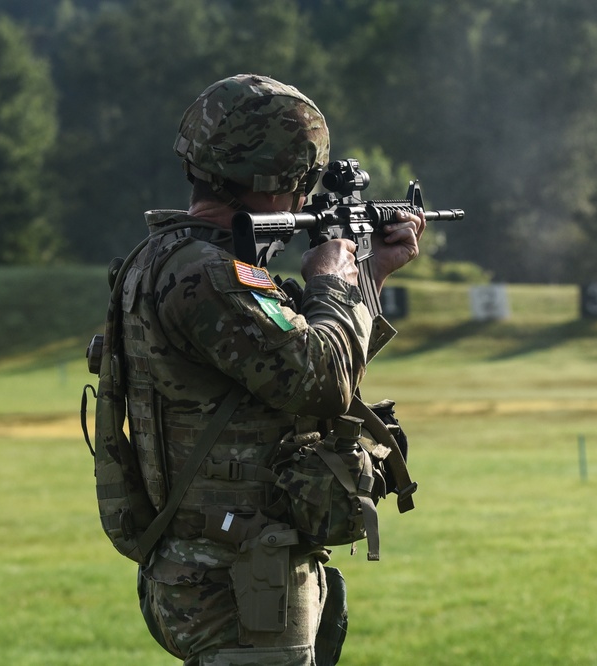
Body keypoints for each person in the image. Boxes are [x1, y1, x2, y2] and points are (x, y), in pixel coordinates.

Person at [125, 74, 424, 666]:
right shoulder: (211, 275)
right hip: (241, 583)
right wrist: (332, 278)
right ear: (285, 178)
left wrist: (371, 276)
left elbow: (296, 367)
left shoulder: (167, 255)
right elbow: (320, 384)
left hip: (214, 568)